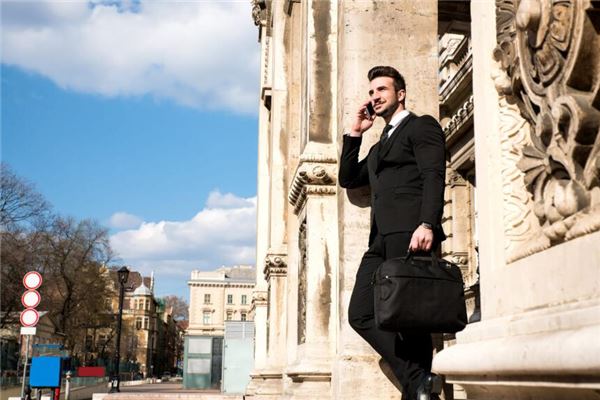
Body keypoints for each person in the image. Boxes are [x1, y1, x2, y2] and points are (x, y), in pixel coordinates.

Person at [339, 66, 446, 400]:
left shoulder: (421, 125)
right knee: (360, 314)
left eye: (382, 90)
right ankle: (420, 382)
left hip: (411, 233)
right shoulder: (378, 147)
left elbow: (434, 175)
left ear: (400, 94)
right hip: (379, 240)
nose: (375, 97)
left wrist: (427, 223)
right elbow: (348, 178)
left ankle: (418, 388)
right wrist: (355, 133)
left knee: (411, 319)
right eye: (372, 92)